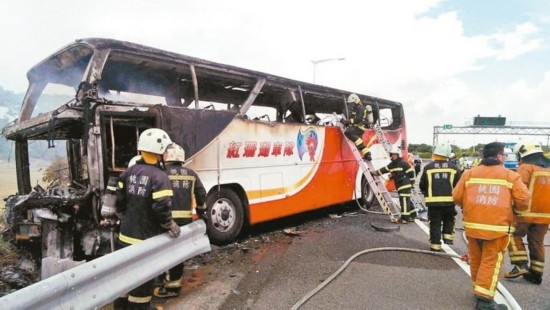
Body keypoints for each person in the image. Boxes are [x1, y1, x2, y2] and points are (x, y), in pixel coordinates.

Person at [452, 142, 530, 310]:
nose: (505, 158)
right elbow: (523, 200)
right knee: (491, 263)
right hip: (498, 229)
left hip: (472, 227)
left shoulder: (469, 174)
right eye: (504, 155)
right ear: (499, 157)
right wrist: (515, 211)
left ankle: (478, 290)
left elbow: (457, 196)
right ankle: (485, 302)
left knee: (476, 261)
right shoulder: (510, 176)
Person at [115, 128, 181, 310]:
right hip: (144, 241)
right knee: (142, 286)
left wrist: (125, 217)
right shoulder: (160, 177)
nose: (167, 153)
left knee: (124, 281)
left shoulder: (128, 172)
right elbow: (161, 207)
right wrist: (169, 223)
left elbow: (119, 202)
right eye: (166, 149)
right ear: (159, 151)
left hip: (124, 237)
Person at [154, 143, 207, 298]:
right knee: (177, 254)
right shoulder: (191, 173)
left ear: (167, 156)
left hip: (166, 221)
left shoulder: (161, 173)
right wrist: (202, 213)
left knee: (163, 252)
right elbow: (201, 196)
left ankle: (168, 286)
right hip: (185, 222)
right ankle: (173, 284)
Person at [504, 141, 550, 285]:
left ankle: (520, 265)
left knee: (512, 234)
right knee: (537, 242)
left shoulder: (526, 168)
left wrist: (512, 208)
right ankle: (536, 274)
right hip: (545, 215)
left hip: (525, 213)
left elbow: (519, 190)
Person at [419, 144, 460, 251]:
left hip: (433, 202)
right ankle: (448, 237)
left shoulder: (428, 167)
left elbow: (422, 184)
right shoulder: (453, 168)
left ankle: (435, 245)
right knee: (449, 218)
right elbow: (459, 185)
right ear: (447, 154)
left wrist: (425, 192)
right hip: (449, 201)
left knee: (435, 222)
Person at [375, 146, 416, 223]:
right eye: (392, 154)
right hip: (401, 185)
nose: (393, 156)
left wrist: (411, 182)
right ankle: (412, 215)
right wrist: (376, 172)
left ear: (398, 155)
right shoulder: (392, 164)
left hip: (405, 185)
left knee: (403, 201)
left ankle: (404, 218)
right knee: (407, 200)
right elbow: (385, 169)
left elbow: (411, 173)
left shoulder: (403, 163)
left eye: (395, 154)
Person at [340, 93, 374, 161]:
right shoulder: (356, 109)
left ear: (356, 100)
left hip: (360, 127)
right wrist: (346, 121)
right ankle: (367, 155)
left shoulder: (361, 108)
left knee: (348, 132)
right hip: (358, 127)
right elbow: (353, 118)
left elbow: (359, 119)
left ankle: (366, 152)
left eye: (352, 103)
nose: (352, 105)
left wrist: (349, 121)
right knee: (358, 142)